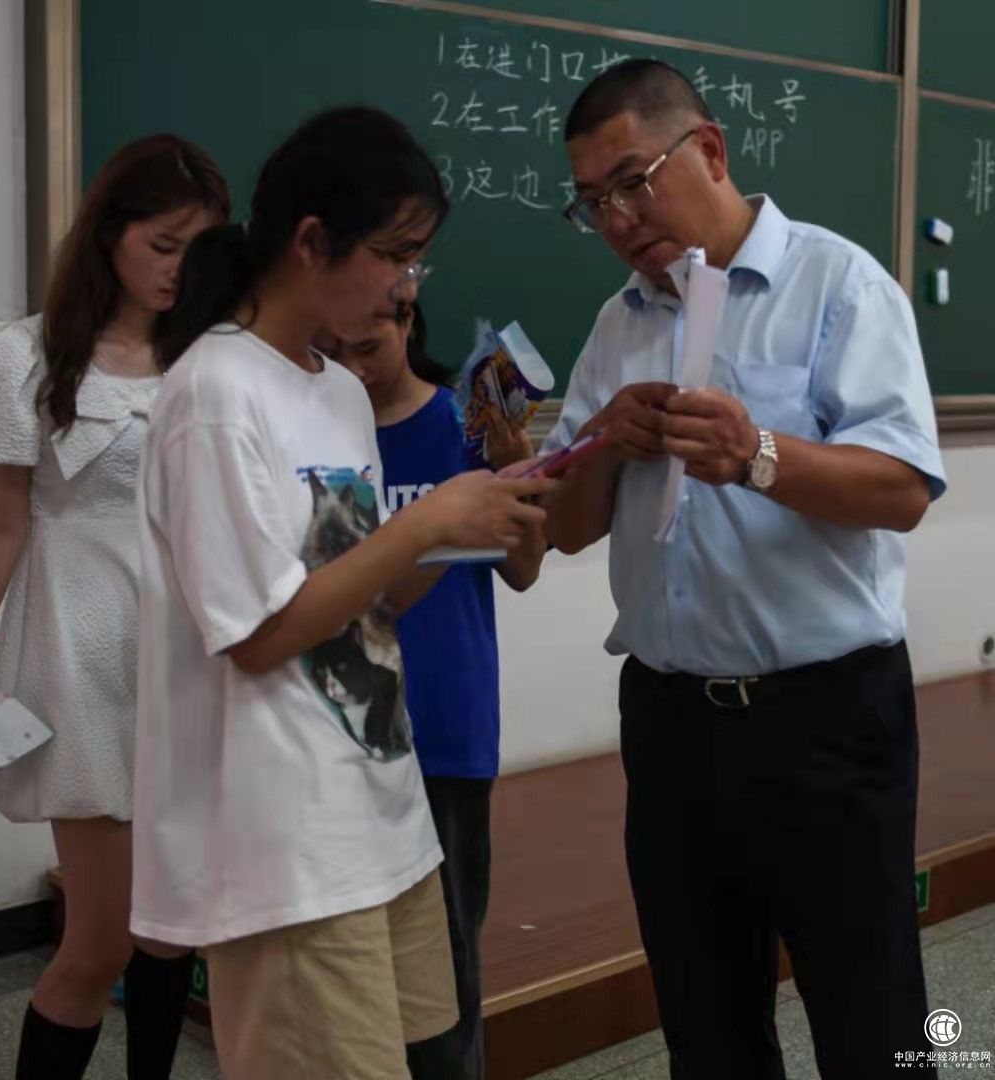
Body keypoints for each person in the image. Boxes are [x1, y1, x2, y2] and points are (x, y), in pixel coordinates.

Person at [543, 59, 945, 1078]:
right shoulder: (616, 322)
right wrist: (602, 441)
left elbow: (902, 486)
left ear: (710, 151)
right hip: (671, 723)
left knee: (874, 1020)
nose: (620, 219)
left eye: (635, 181)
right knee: (707, 1024)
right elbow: (565, 530)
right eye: (594, 202)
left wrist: (759, 454)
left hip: (824, 720)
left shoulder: (838, 283)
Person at [135, 106, 553, 1080]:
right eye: (393, 255)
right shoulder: (213, 394)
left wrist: (465, 525)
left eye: (419, 263)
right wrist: (425, 525)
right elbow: (258, 634)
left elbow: (351, 608)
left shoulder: (331, 390)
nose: (405, 288)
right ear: (310, 241)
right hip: (284, 844)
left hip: (375, 809)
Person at [0, 134, 229, 1080]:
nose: (182, 270)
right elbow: (2, 524)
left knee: (176, 931)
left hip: (196, 653)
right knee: (100, 942)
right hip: (80, 649)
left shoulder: (215, 356)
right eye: (163, 245)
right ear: (108, 236)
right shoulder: (20, 353)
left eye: (198, 249)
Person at [321, 301, 546, 1079]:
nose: (353, 363)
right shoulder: (319, 432)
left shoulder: (465, 423)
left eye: (368, 343)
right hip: (342, 726)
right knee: (352, 958)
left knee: (449, 961)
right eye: (335, 347)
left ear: (406, 320)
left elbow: (523, 570)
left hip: (446, 724)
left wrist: (511, 472)